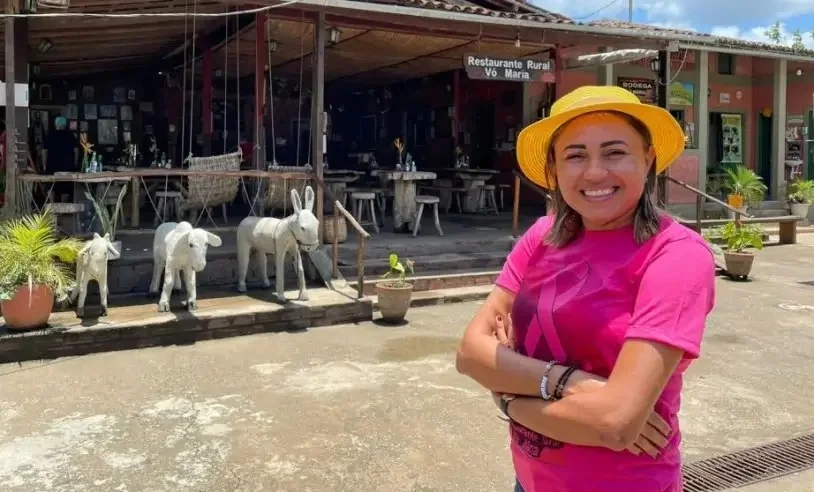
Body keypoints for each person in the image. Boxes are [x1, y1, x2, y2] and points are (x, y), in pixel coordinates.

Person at [456, 86, 716, 492]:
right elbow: (470, 353)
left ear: (647, 159)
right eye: (575, 155)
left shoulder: (675, 255)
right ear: (555, 169)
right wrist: (570, 383)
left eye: (614, 152)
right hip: (530, 480)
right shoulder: (543, 236)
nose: (594, 172)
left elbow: (615, 424)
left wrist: (508, 397)